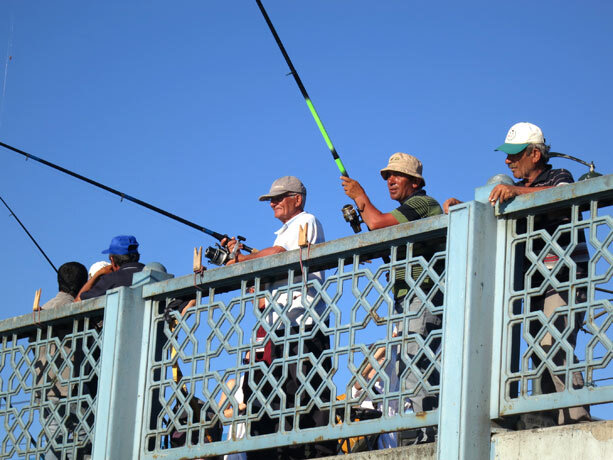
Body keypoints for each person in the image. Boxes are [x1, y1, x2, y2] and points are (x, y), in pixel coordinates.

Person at [443, 122, 591, 425]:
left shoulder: (558, 176)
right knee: (540, 349)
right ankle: (554, 419)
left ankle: (578, 416)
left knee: (554, 342)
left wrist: (515, 191)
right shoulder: (518, 187)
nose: (508, 161)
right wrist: (462, 207)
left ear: (535, 154)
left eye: (514, 155)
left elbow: (562, 195)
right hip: (535, 283)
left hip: (563, 277)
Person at [224, 176, 334, 459]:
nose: (272, 202)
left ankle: (316, 451)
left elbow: (277, 255)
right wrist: (249, 266)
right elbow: (270, 282)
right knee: (276, 392)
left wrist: (239, 260)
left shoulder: (306, 220)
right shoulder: (284, 230)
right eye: (270, 199)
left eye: (278, 197)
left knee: (306, 390)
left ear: (297, 199)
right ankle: (280, 451)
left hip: (303, 323)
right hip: (279, 327)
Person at [341, 152, 443, 443]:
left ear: (415, 181)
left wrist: (360, 196)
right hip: (408, 299)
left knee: (416, 367)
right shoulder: (407, 211)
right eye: (387, 176)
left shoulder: (423, 203)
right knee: (405, 369)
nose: (390, 181)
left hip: (423, 296)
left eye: (397, 176)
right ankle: (418, 434)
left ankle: (428, 436)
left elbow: (376, 222)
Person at [33, 262, 92, 459]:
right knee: (83, 445)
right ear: (83, 283)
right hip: (72, 388)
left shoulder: (43, 309)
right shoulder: (78, 309)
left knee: (54, 443)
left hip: (46, 388)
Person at [76, 235, 144, 301]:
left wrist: (98, 273)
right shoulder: (151, 272)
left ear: (112, 260)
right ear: (137, 256)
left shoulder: (111, 279)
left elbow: (77, 302)